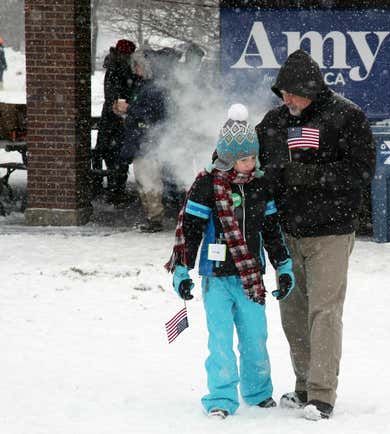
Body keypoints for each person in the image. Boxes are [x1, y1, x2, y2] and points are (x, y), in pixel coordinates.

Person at [256, 49, 375, 420]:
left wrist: (312, 176)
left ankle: (322, 394)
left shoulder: (347, 117)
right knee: (293, 313)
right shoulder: (273, 122)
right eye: (281, 94)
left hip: (331, 233)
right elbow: (248, 158)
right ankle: (304, 384)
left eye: (290, 93)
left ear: (309, 87)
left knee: (323, 312)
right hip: (286, 232)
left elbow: (362, 170)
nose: (285, 100)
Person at [165, 104, 295, 419]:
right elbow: (190, 230)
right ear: (227, 157)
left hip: (250, 277)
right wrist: (182, 269)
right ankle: (222, 397)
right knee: (220, 340)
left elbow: (272, 230)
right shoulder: (207, 185)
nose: (251, 164)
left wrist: (284, 267)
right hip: (216, 279)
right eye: (244, 158)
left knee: (255, 338)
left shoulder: (261, 185)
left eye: (253, 157)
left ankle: (258, 392)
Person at [115, 49, 168, 232]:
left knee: (149, 181)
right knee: (144, 181)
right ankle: (152, 217)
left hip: (146, 142)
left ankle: (155, 219)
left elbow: (154, 115)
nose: (134, 69)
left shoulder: (152, 88)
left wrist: (129, 109)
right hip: (142, 142)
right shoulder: (145, 85)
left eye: (136, 65)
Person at [95, 39, 137, 205]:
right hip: (116, 122)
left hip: (111, 122)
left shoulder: (114, 67)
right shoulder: (118, 70)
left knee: (114, 158)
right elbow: (116, 99)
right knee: (117, 158)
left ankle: (115, 191)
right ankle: (116, 193)